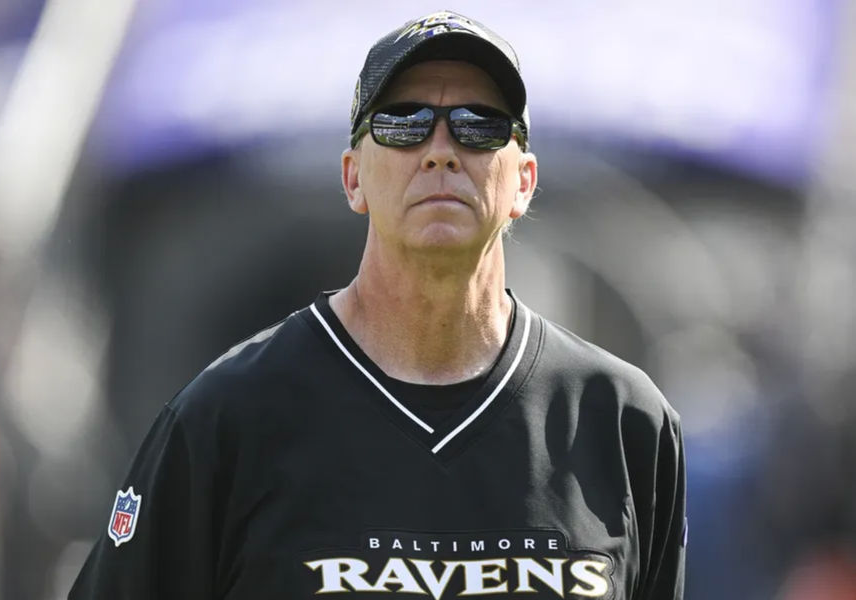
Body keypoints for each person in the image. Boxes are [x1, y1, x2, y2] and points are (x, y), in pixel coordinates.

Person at [70, 10, 686, 599]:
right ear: (352, 178)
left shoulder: (624, 420)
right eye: (402, 121)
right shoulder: (226, 417)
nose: (441, 149)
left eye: (480, 124)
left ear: (523, 181)